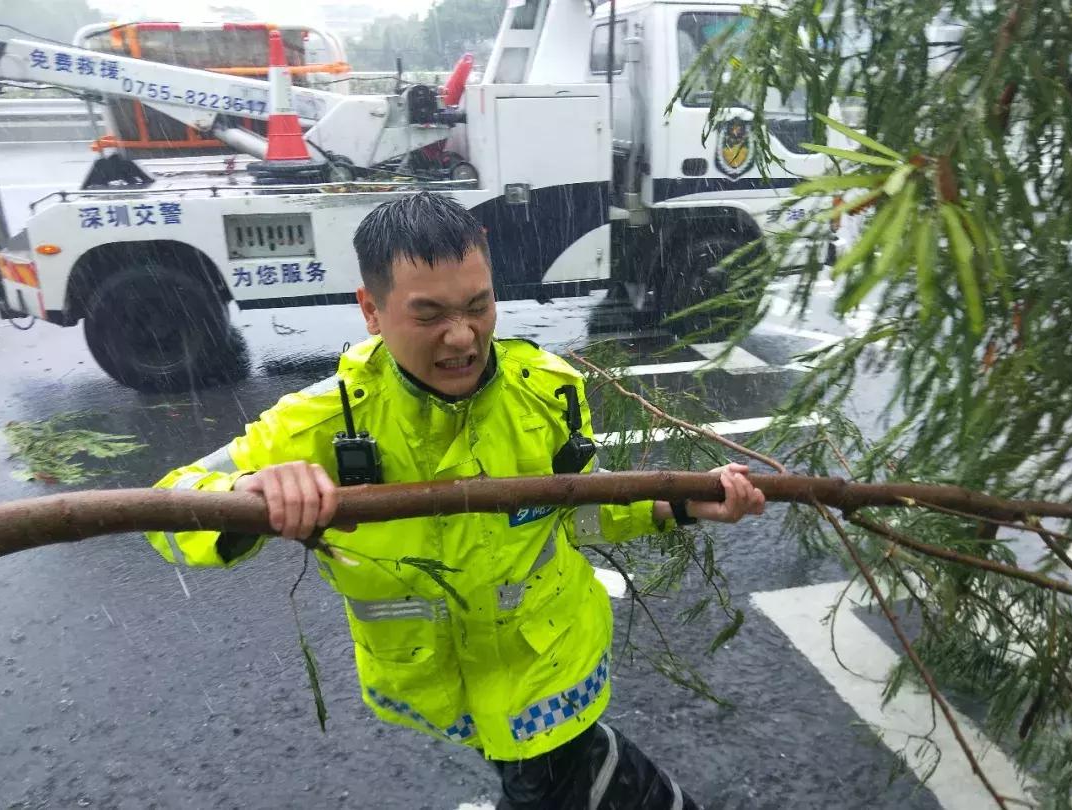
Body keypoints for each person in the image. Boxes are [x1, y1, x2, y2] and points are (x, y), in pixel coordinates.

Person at [145, 192, 765, 809]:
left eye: (479, 305)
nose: (463, 335)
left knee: (563, 783)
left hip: (551, 668)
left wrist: (685, 503)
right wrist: (246, 496)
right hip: (440, 683)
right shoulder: (316, 426)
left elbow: (579, 509)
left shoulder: (549, 393)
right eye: (429, 315)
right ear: (371, 310)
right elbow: (167, 508)